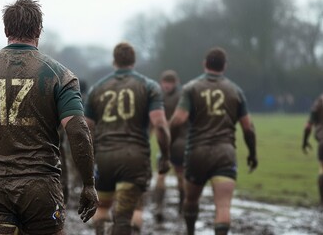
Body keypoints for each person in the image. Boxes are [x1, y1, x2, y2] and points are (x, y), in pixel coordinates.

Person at [0, 0, 98, 235]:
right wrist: (89, 184)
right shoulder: (60, 75)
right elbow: (78, 132)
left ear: (6, 30)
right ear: (39, 30)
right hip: (42, 189)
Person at [85, 42, 171, 235]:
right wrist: (165, 155)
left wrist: (87, 162)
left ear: (113, 61)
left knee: (102, 208)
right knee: (124, 217)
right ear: (134, 61)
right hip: (134, 158)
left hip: (104, 158)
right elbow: (160, 124)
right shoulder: (149, 86)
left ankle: (101, 231)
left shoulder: (97, 89)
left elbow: (86, 128)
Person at [170, 47, 257, 235]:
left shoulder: (191, 88)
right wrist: (253, 153)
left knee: (191, 200)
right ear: (225, 66)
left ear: (204, 64)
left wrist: (169, 143)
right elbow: (248, 128)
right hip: (225, 153)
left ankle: (190, 231)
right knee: (223, 206)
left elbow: (178, 120)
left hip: (196, 153)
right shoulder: (235, 90)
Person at [153, 70, 188, 223]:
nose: (166, 86)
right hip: (182, 141)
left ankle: (159, 207)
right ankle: (182, 207)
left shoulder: (158, 97)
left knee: (161, 175)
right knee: (181, 176)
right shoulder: (184, 96)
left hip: (168, 142)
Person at [302, 94, 323, 209]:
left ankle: (322, 202)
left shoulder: (320, 100)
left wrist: (305, 141)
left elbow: (308, 126)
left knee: (322, 171)